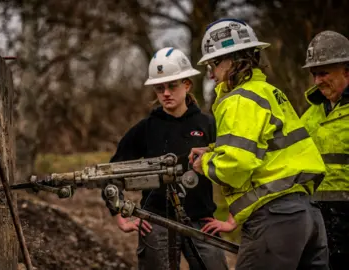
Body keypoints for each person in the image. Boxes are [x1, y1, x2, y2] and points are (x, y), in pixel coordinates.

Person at [188, 18, 330, 269]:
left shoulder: (239, 99)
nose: (211, 74)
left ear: (235, 59)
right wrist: (213, 150)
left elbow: (236, 164)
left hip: (275, 218)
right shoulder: (268, 92)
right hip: (308, 217)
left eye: (214, 63)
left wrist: (205, 163)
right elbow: (265, 150)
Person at [102, 47, 228, 270]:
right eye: (160, 88)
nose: (166, 93)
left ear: (187, 85)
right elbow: (114, 170)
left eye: (172, 86)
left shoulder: (208, 124)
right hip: (155, 222)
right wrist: (119, 215)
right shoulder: (146, 128)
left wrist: (232, 219)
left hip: (201, 222)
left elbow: (233, 165)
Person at [300, 30, 349, 269]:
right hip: (315, 217)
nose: (317, 80)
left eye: (324, 72)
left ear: (346, 70)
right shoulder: (309, 116)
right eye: (314, 74)